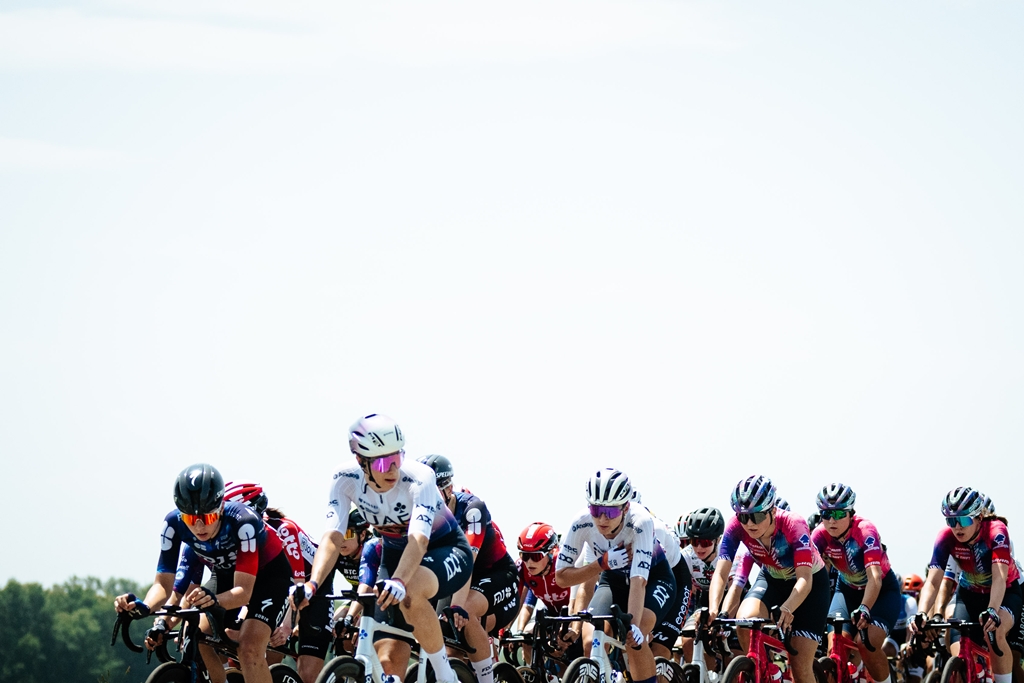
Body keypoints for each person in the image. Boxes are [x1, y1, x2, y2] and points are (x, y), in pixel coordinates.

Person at [293, 414, 473, 683]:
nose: (392, 470)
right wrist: (312, 584)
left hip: (445, 549)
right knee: (388, 660)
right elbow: (332, 538)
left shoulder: (419, 477)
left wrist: (399, 580)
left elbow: (419, 540)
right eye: (382, 463)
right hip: (396, 556)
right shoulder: (344, 479)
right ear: (360, 461)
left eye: (397, 458)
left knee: (409, 592)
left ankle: (446, 676)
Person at [114, 464, 291, 683]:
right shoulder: (172, 524)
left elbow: (244, 592)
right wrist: (145, 607)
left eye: (206, 518)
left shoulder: (243, 522)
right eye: (190, 519)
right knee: (197, 634)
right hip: (226, 575)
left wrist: (214, 600)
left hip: (269, 578)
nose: (198, 527)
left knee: (249, 649)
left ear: (220, 507)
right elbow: (163, 585)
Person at [555, 468, 676, 683]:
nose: (602, 518)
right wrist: (601, 564)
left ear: (625, 507)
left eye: (610, 512)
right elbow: (562, 578)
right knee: (590, 639)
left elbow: (639, 581)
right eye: (596, 510)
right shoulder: (582, 522)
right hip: (612, 581)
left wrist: (634, 626)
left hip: (654, 580)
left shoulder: (641, 521)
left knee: (634, 638)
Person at [708, 475, 830, 683]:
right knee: (745, 623)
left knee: (799, 665)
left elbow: (805, 579)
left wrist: (788, 607)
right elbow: (721, 573)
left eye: (756, 516)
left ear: (772, 511)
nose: (749, 523)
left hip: (809, 585)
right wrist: (713, 610)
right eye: (743, 517)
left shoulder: (794, 524)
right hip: (772, 578)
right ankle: (767, 671)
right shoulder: (735, 526)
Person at [421, 454, 521, 683]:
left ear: (448, 488)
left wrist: (456, 606)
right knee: (448, 647)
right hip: (458, 579)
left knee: (464, 609)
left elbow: (466, 560)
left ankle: (487, 679)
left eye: (431, 494)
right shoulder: (422, 516)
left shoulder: (472, 508)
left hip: (497, 575)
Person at [912, 487, 1022, 683]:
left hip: (1004, 593)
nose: (957, 527)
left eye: (963, 520)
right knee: (958, 646)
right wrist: (921, 612)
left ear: (979, 517)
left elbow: (999, 577)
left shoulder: (996, 531)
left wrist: (992, 610)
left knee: (995, 633)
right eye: (951, 521)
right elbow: (934, 581)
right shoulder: (946, 537)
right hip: (969, 595)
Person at [811, 483, 900, 683]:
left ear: (851, 513)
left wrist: (865, 608)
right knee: (835, 647)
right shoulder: (820, 535)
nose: (832, 521)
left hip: (881, 592)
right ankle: (853, 673)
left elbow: (875, 577)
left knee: (866, 643)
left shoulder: (865, 531)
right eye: (826, 514)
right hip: (847, 591)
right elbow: (807, 573)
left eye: (839, 514)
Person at [511, 522, 582, 665]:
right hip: (553, 615)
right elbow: (523, 604)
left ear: (550, 553)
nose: (529, 562)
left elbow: (578, 598)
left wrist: (569, 626)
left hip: (576, 613)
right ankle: (535, 673)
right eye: (524, 556)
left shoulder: (562, 564)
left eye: (536, 556)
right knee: (527, 635)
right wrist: (513, 631)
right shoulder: (526, 569)